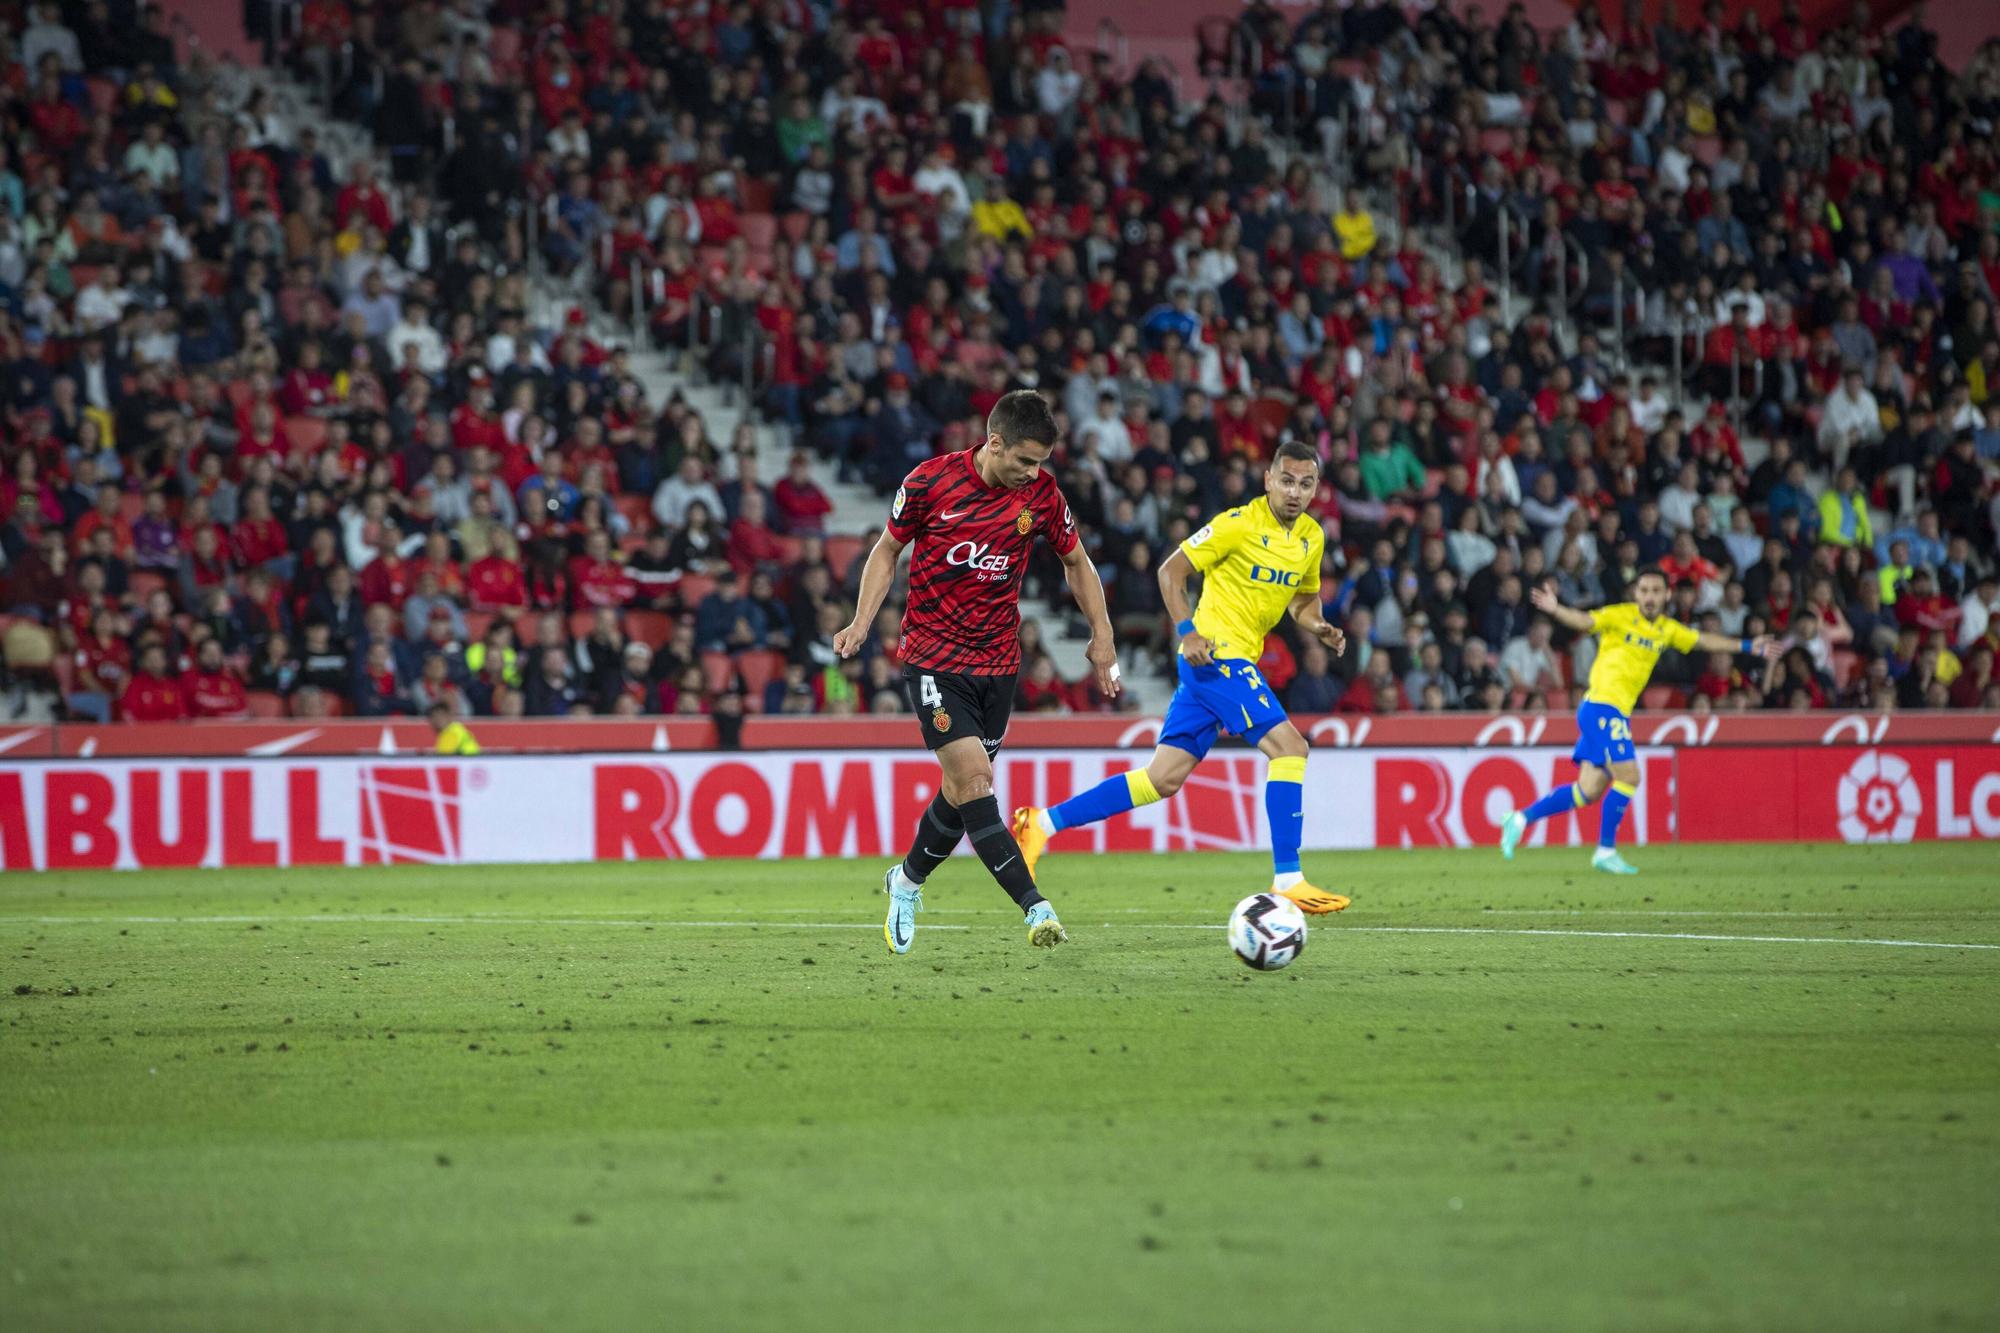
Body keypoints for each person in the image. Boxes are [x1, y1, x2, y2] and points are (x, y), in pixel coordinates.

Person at [1011, 441, 1350, 915]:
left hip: (1224, 665)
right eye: (1287, 480)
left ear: (1316, 489)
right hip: (1216, 657)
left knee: (1162, 778)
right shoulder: (1237, 525)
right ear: (1269, 480)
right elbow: (1170, 571)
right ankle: (1288, 878)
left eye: (1305, 483)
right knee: (1291, 748)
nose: (1295, 492)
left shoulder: (1312, 538)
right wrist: (1187, 631)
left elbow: (1302, 600)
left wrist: (1319, 626)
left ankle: (1039, 824)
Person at [834, 392, 1120, 953]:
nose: (1033, 473)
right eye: (1025, 461)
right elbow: (887, 551)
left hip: (998, 664)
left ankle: (907, 880)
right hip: (933, 657)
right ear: (994, 443)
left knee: (962, 793)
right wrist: (863, 620)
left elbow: (1076, 562)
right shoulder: (929, 484)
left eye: (1040, 463)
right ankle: (1036, 907)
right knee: (976, 783)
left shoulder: (1040, 494)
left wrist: (1103, 638)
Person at [1500, 569, 1775, 874]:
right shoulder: (1620, 616)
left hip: (1610, 712)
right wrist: (1556, 610)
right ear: (1636, 594)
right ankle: (1605, 851)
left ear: (1666, 595)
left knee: (1587, 791)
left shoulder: (1667, 629)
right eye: (1644, 590)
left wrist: (1749, 646)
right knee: (1629, 776)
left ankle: (1521, 819)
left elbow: (1702, 641)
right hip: (1603, 707)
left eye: (1656, 591)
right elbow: (1585, 621)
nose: (1649, 597)